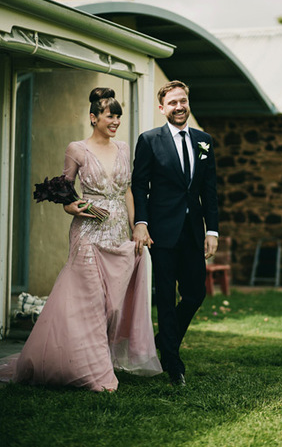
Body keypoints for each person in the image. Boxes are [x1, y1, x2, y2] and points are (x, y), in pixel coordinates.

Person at [0, 88, 161, 392]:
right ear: (93, 117)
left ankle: (84, 359)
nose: (115, 121)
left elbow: (127, 191)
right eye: (110, 115)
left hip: (116, 234)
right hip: (87, 234)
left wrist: (138, 227)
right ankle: (97, 375)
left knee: (112, 305)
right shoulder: (76, 149)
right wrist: (78, 206)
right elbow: (66, 194)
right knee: (90, 301)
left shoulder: (124, 148)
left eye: (118, 116)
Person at [132, 80, 219, 386]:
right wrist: (140, 223)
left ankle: (163, 339)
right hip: (161, 231)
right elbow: (139, 185)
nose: (179, 107)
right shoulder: (149, 140)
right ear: (162, 108)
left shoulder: (204, 141)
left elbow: (209, 190)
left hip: (194, 231)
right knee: (166, 297)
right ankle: (172, 361)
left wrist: (214, 230)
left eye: (183, 101)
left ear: (187, 102)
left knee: (195, 293)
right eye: (172, 103)